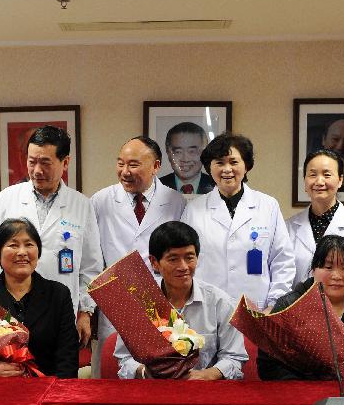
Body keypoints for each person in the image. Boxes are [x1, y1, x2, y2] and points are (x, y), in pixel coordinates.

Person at [0, 125, 103, 348]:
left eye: (45, 163)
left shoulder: (81, 205)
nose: (37, 170)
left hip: (62, 315)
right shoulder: (6, 200)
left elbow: (90, 267)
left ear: (65, 162)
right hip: (9, 317)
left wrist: (85, 311)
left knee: (61, 377)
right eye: (31, 161)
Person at [91, 136, 186, 375]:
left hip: (161, 301)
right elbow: (91, 257)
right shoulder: (101, 201)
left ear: (155, 166)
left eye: (133, 165)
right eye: (120, 163)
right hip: (114, 301)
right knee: (112, 372)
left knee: (161, 372)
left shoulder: (176, 201)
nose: (124, 172)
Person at [113, 221, 247, 380]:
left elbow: (234, 357)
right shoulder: (139, 302)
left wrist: (206, 375)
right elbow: (124, 358)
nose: (183, 266)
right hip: (153, 391)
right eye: (173, 259)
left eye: (189, 257)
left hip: (205, 392)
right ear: (154, 262)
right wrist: (143, 372)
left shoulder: (221, 303)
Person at [181, 132, 295, 311]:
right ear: (209, 167)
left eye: (234, 162)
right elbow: (185, 262)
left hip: (257, 307)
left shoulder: (268, 205)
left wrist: (274, 305)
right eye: (219, 162)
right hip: (206, 309)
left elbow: (282, 261)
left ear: (246, 166)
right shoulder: (194, 209)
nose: (227, 169)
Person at [257, 235, 344, 381]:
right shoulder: (288, 306)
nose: (337, 275)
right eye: (328, 267)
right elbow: (269, 366)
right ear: (313, 269)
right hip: (300, 396)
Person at [0, 219, 79, 378]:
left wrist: (56, 394)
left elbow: (68, 357)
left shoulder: (58, 294)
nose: (22, 252)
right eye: (13, 245)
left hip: (47, 390)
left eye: (29, 244)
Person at [286, 149, 344, 297]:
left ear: (340, 180)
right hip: (298, 312)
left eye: (327, 174)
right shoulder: (289, 226)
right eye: (313, 174)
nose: (319, 181)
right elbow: (284, 277)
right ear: (304, 180)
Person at [159, 122, 215, 195]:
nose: (185, 159)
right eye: (178, 152)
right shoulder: (156, 188)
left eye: (192, 151)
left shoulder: (217, 187)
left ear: (204, 153)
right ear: (168, 153)